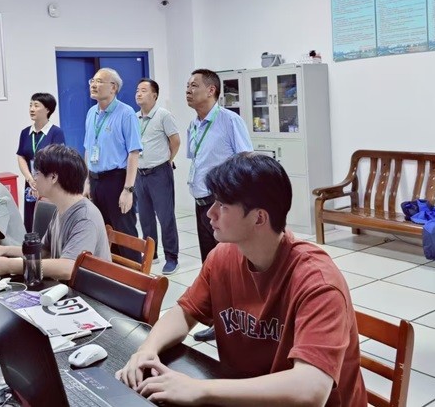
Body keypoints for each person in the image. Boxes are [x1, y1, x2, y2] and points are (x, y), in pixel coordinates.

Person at [116, 153, 367, 406]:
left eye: (223, 206)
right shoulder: (223, 258)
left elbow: (311, 391)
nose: (210, 213)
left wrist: (200, 389)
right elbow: (184, 312)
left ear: (259, 218)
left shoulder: (318, 283)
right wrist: (147, 349)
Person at [186, 68, 252, 341]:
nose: (188, 90)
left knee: (229, 265)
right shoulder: (194, 124)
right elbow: (196, 159)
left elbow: (246, 160)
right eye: (187, 85)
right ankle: (218, 319)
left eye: (194, 85)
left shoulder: (229, 121)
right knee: (211, 263)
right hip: (201, 202)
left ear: (211, 90)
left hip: (223, 206)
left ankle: (239, 320)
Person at [0, 144, 111, 280]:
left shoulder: (85, 217)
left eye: (37, 173)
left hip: (88, 292)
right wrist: (3, 250)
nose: (34, 179)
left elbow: (68, 268)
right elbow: (44, 251)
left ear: (53, 177)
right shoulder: (61, 208)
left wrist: (9, 265)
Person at [83, 68, 142, 261]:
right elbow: (88, 148)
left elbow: (134, 153)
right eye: (93, 80)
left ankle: (136, 276)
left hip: (117, 181)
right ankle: (112, 273)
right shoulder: (91, 113)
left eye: (99, 81)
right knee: (102, 232)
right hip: (95, 180)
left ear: (114, 87)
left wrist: (128, 190)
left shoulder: (126, 114)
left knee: (124, 234)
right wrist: (87, 181)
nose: (93, 85)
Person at [134, 78, 181, 275]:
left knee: (165, 216)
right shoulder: (134, 117)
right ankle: (151, 254)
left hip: (159, 172)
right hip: (139, 174)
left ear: (154, 95)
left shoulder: (163, 115)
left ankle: (172, 258)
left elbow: (175, 141)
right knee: (145, 217)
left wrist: (168, 160)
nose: (138, 93)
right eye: (137, 90)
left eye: (143, 90)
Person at [16, 92, 65, 232]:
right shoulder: (25, 132)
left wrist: (41, 181)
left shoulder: (56, 132)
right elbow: (21, 156)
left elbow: (58, 160)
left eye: (36, 105)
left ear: (47, 109)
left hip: (49, 184)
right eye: (30, 105)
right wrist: (30, 179)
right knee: (31, 220)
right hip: (31, 184)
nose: (32, 109)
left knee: (48, 221)